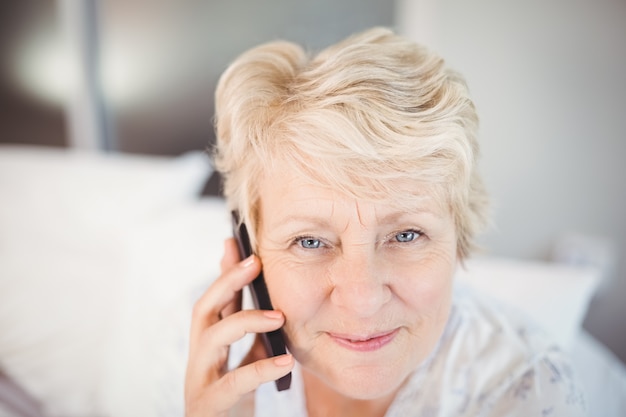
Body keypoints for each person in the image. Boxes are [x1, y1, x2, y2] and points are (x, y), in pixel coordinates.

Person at [185, 27, 587, 416]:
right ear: (247, 251)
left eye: (406, 235)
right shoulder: (200, 363)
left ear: (459, 238)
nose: (363, 301)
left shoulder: (528, 390)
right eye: (310, 241)